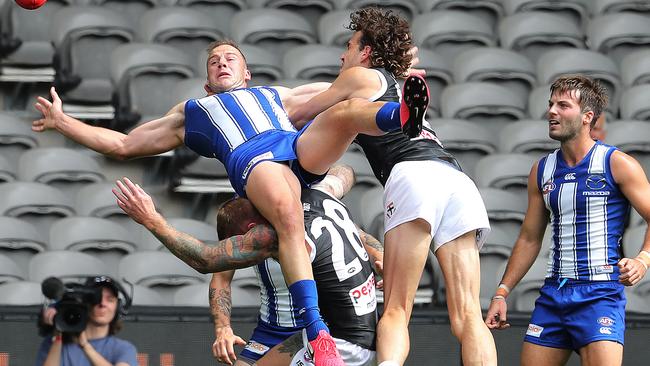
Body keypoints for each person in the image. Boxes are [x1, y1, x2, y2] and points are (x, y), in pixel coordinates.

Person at [32, 39, 424, 366]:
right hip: (258, 160)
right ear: (206, 83)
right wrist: (64, 122)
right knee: (290, 216)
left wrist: (395, 69)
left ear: (247, 72)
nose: (221, 62)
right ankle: (317, 329)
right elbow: (122, 144)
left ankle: (403, 115)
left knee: (345, 112)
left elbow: (354, 82)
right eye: (213, 61)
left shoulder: (278, 96)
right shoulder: (193, 112)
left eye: (230, 57)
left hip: (297, 152)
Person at [288, 7, 497, 366]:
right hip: (457, 179)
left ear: (365, 53)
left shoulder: (360, 77)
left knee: (397, 309)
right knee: (468, 315)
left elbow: (301, 114)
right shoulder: (399, 84)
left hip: (413, 176)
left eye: (350, 46)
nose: (343, 54)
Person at [112, 166, 383, 366]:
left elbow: (205, 258)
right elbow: (221, 277)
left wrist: (153, 221)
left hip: (324, 328)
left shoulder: (271, 230)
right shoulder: (269, 204)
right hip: (274, 329)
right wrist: (223, 328)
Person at [485, 75, 650, 366]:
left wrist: (643, 259)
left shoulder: (616, 163)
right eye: (551, 104)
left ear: (588, 117)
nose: (551, 111)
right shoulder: (542, 169)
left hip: (600, 295)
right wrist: (502, 292)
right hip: (554, 295)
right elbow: (529, 237)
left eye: (563, 105)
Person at [35, 276, 138, 366]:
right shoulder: (54, 342)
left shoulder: (125, 349)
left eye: (109, 299)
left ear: (118, 308)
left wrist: (85, 346)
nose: (102, 304)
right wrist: (57, 337)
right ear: (84, 304)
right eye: (95, 299)